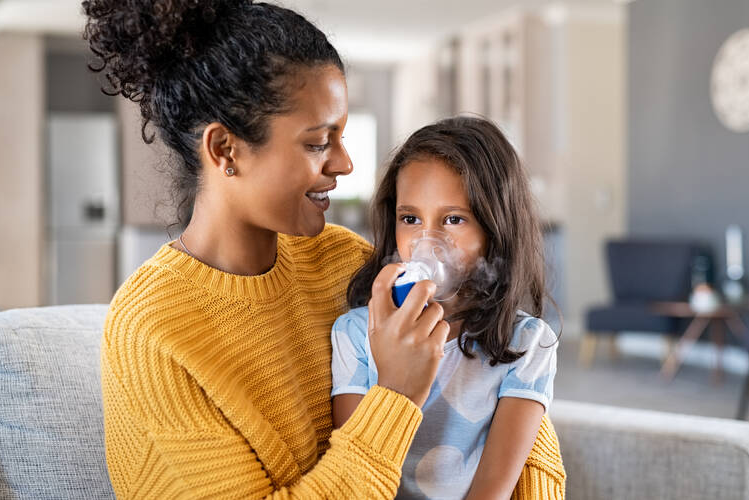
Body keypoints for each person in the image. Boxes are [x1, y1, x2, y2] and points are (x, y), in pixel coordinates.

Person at [84, 0, 450, 497]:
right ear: (225, 149)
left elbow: (495, 375)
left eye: (341, 137)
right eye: (318, 142)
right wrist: (395, 397)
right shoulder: (151, 329)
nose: (345, 164)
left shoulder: (344, 260)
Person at [332, 116, 566, 499]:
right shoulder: (357, 333)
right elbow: (355, 476)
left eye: (454, 219)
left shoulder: (526, 345)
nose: (427, 241)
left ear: (495, 227)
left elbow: (491, 492)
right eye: (410, 218)